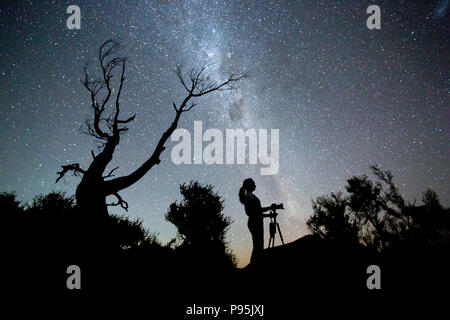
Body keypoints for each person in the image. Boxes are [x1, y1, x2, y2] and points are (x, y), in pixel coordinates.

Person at [239, 178, 277, 264]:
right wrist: (269, 211)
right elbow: (256, 212)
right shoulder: (250, 197)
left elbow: (257, 212)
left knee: (257, 247)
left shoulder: (250, 196)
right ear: (250, 185)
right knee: (258, 247)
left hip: (255, 222)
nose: (255, 185)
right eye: (254, 184)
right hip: (255, 223)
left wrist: (269, 212)